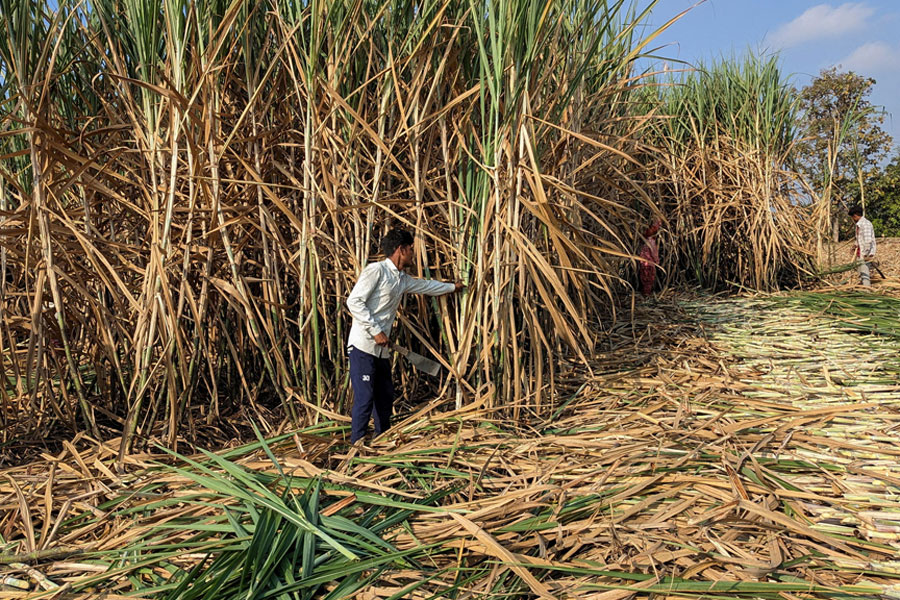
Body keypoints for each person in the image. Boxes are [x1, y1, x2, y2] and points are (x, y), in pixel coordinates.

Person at [346, 228, 464, 444]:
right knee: (364, 398)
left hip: (381, 350)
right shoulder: (376, 271)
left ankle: (382, 441)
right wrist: (376, 330)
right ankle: (357, 446)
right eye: (411, 249)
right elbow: (354, 301)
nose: (413, 254)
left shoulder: (401, 279)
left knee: (385, 396)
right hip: (363, 346)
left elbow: (426, 286)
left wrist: (452, 287)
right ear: (400, 249)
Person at [849, 205, 876, 287]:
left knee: (864, 272)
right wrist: (854, 246)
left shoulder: (866, 224)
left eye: (853, 217)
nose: (853, 219)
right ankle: (862, 287)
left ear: (856, 215)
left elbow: (868, 241)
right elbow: (859, 238)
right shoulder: (859, 225)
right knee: (860, 271)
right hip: (860, 251)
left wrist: (865, 254)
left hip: (864, 253)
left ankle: (867, 290)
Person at [638, 220, 661, 296]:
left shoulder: (643, 240)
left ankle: (645, 293)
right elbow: (654, 252)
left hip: (643, 263)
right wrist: (657, 261)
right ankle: (646, 293)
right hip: (649, 263)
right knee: (649, 279)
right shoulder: (651, 241)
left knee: (644, 278)